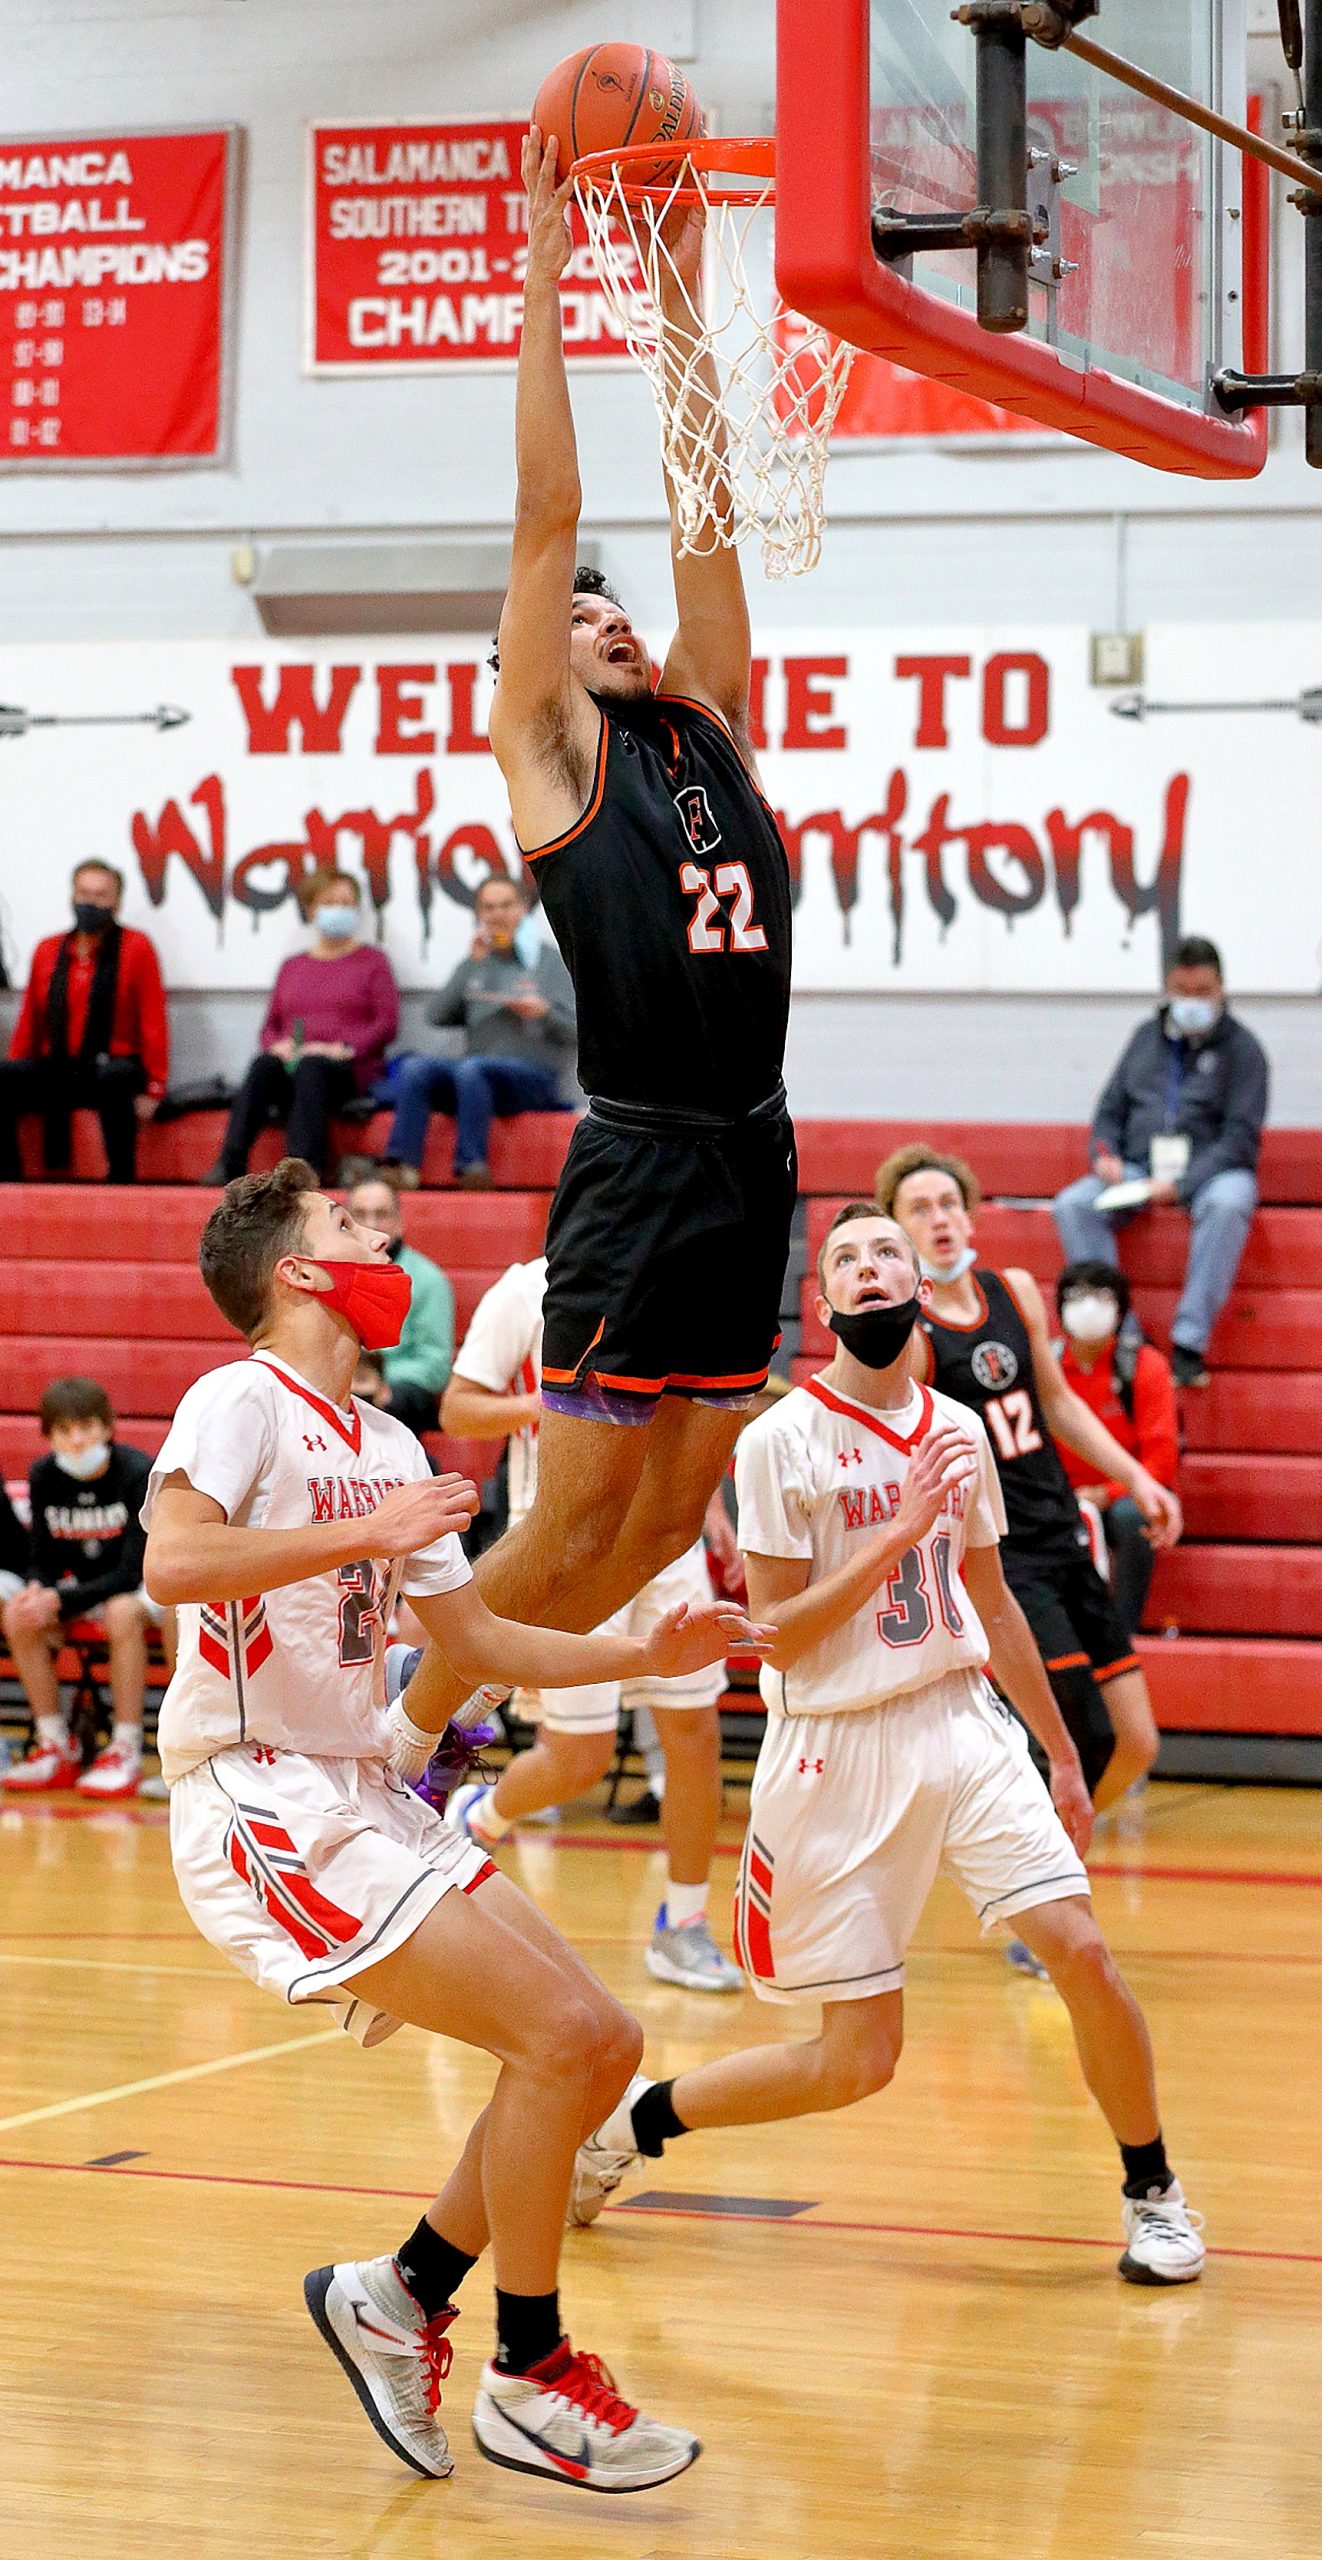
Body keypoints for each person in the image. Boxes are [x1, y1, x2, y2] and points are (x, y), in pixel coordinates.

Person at [142, 1155, 763, 2489]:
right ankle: (527, 2370)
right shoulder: (240, 1399)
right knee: (559, 2038)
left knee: (602, 2044)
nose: (388, 1243)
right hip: (258, 1792)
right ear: (298, 1272)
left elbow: (475, 1638)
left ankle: (401, 2293)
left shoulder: (387, 1442)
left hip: (362, 1784)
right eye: (353, 1227)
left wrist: (643, 1651)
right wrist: (362, 1533)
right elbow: (173, 1562)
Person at [569, 1206, 1206, 2287]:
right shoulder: (779, 1440)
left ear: (918, 1290)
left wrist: (1059, 1755)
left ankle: (1153, 2193)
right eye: (845, 1259)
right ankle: (634, 2122)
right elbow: (777, 1633)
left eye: (885, 1255)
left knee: (1082, 1952)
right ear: (822, 1304)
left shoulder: (957, 1427)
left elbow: (992, 1599)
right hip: (836, 1745)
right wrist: (900, 1533)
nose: (867, 1268)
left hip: (960, 1722)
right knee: (855, 2062)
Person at [397, 129, 795, 1767]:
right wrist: (550, 272)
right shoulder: (551, 756)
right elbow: (546, 509)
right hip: (636, 1163)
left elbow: (705, 500)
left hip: (753, 1148)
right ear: (522, 667)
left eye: (612, 607)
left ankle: (456, 1720)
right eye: (577, 613)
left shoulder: (708, 723)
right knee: (570, 1526)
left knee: (659, 1534)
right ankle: (387, 1738)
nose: (608, 613)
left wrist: (681, 292)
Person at [433, 1253, 742, 1992]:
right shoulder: (525, 1289)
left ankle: (685, 1923)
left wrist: (713, 1511)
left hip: (665, 1542)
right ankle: (483, 1811)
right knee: (580, 1757)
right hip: (570, 1545)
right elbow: (458, 1409)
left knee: (695, 1734)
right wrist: (549, 1408)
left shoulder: (674, 1276)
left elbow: (685, 1418)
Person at [877, 1144, 1181, 1816]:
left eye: (949, 1203)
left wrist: (1137, 1477)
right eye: (919, 1209)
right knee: (1082, 1738)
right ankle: (1037, 1875)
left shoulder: (1011, 1291)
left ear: (971, 1214)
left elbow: (1060, 1405)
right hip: (1002, 1554)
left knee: (1136, 1743)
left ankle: (1043, 1860)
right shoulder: (911, 1337)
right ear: (896, 1231)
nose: (939, 1218)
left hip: (1061, 1533)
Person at [1053, 936, 1268, 1389]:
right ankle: (1126, 1337)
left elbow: (1240, 1140)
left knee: (1230, 1202)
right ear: (1168, 987)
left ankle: (1189, 1341)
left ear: (1221, 989)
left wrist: (1183, 1185)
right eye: (1182, 991)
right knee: (1073, 1205)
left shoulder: (1244, 1051)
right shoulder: (1144, 1039)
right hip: (1137, 1168)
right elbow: (1108, 1112)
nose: (1191, 1001)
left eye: (1202, 992)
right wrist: (1104, 1155)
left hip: (1212, 1173)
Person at [1, 1376, 157, 1798]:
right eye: (64, 1431)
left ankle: (125, 1746)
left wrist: (60, 1597)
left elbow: (131, 1572)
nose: (76, 1440)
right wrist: (38, 1589)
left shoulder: (136, 1471)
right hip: (81, 1591)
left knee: (121, 1612)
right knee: (19, 1612)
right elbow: (41, 1558)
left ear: (107, 1427)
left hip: (136, 1587)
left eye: (86, 1427)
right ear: (49, 1435)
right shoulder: (44, 1474)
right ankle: (55, 1743)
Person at [379, 873, 577, 1188]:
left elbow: (580, 1032)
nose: (498, 915)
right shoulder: (478, 961)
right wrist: (470, 964)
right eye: (489, 907)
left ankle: (471, 1168)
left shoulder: (550, 961)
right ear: (479, 913)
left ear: (524, 908)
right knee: (416, 1068)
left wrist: (545, 1013)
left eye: (506, 905)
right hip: (472, 1078)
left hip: (532, 1079)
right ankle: (401, 1166)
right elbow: (436, 1015)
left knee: (473, 1068)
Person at [209, 869, 397, 1184]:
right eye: (329, 903)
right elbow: (270, 1027)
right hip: (292, 1065)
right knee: (264, 1065)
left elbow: (386, 1024)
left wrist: (342, 1048)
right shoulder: (293, 966)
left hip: (344, 1070)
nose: (339, 909)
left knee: (312, 1067)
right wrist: (278, 1046)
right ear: (310, 909)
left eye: (346, 903)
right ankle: (230, 1162)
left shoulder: (373, 962)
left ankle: (305, 1170)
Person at [0, 859, 168, 1183]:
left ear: (116, 902)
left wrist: (155, 1087)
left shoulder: (137, 947)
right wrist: (17, 1064)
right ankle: (9, 1183)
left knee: (114, 1077)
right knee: (5, 1076)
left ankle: (121, 1181)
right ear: (72, 896)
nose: (90, 903)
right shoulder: (48, 950)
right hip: (59, 1066)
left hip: (112, 1066)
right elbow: (29, 1022)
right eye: (84, 893)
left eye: (100, 895)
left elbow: (153, 1021)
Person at [1054, 1261, 1180, 1641]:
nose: (1089, 1306)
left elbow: (1161, 1461)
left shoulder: (1144, 1366)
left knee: (1134, 1515)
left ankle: (1121, 1635)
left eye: (1102, 1296)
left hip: (1123, 1495)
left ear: (1121, 1309)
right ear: (1060, 1308)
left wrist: (1106, 1493)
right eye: (1078, 1296)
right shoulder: (1047, 1368)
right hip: (1062, 1496)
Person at [344, 1170, 454, 1437]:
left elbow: (436, 1364)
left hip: (399, 1390)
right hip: (339, 1380)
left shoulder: (428, 1279)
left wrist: (375, 1378)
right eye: (360, 1214)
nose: (371, 1224)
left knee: (393, 1399)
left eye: (381, 1214)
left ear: (398, 1222)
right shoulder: (327, 1274)